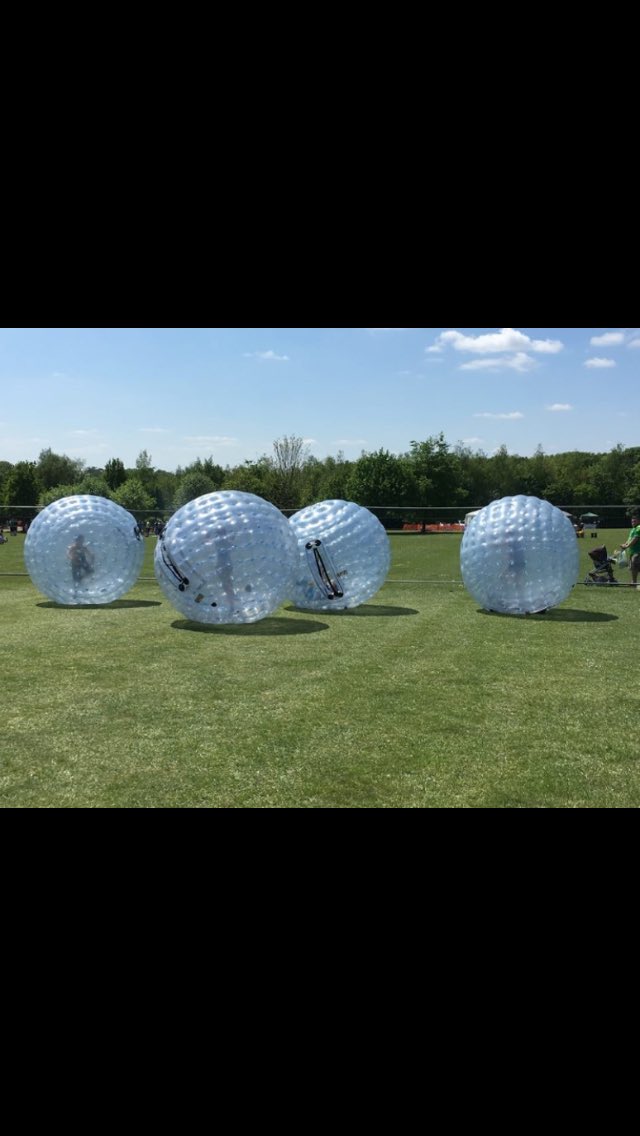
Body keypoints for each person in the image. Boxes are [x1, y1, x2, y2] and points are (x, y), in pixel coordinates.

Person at [620, 511, 640, 587]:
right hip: (633, 551)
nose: (633, 523)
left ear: (639, 521)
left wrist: (627, 546)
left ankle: (634, 582)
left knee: (634, 563)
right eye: (632, 521)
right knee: (633, 567)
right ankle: (633, 582)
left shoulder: (639, 528)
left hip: (638, 551)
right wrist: (625, 544)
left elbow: (635, 539)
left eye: (635, 521)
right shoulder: (633, 529)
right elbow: (630, 539)